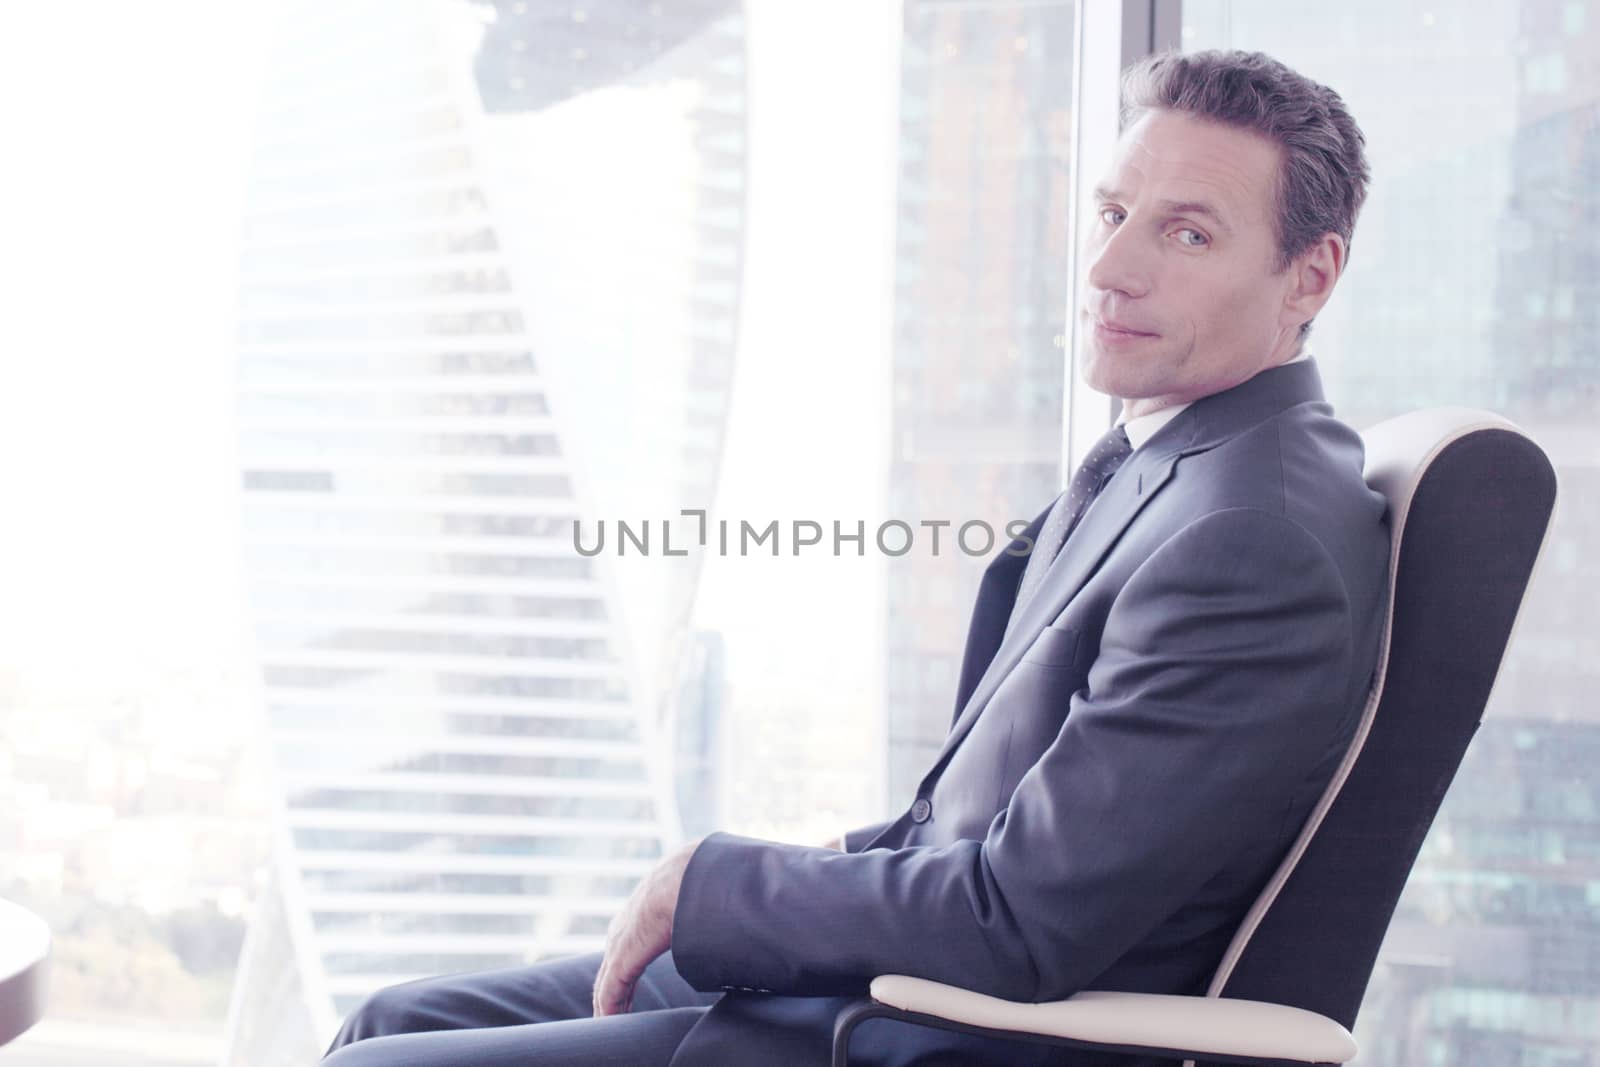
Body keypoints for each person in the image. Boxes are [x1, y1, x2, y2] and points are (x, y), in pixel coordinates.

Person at [321, 47, 1385, 1067]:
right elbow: (977, 823)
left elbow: (1021, 918)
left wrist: (710, 882)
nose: (1110, 269)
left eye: (1187, 235)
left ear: (1310, 276)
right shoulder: (1181, 463)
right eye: (1112, 215)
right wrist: (791, 875)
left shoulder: (1251, 537)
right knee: (388, 1016)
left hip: (939, 1034)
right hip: (887, 986)